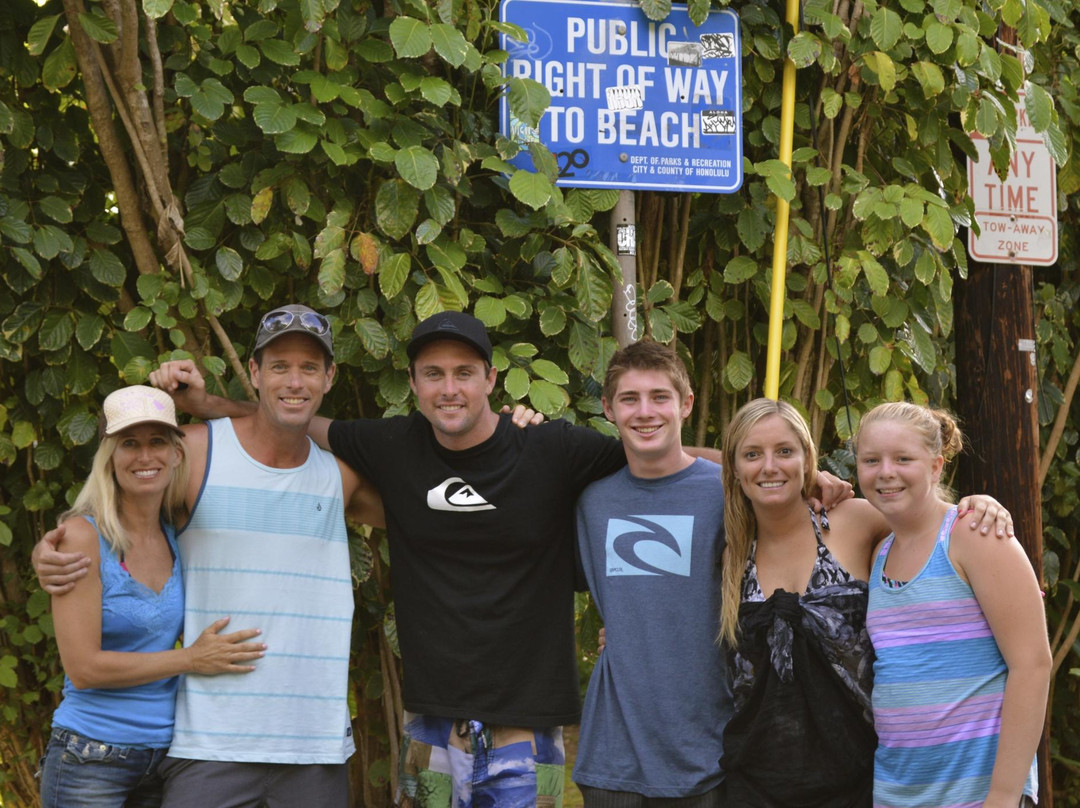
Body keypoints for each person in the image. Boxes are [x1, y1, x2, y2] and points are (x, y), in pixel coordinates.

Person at [136, 312, 770, 807]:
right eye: (432, 374)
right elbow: (288, 421)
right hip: (431, 726)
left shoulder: (552, 449)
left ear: (490, 380)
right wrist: (209, 406)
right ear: (412, 385)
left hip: (530, 727)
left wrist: (779, 474)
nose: (448, 388)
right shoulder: (392, 443)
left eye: (464, 372)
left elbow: (663, 455)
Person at [36, 304, 386, 808]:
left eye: (309, 367)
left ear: (329, 376)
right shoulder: (194, 451)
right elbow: (115, 506)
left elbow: (429, 515)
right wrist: (50, 547)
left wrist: (506, 440)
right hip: (207, 744)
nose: (294, 380)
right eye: (279, 367)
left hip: (313, 744)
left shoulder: (339, 474)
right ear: (254, 372)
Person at [717, 398, 1014, 808]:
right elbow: (669, 462)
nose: (769, 466)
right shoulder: (729, 548)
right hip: (753, 785)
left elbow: (927, 519)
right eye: (752, 454)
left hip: (861, 781)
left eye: (785, 451)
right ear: (733, 466)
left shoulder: (856, 520)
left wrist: (978, 505)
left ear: (808, 459)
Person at [39, 385, 264, 808]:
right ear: (110, 457)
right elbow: (84, 669)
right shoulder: (81, 538)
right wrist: (192, 659)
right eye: (130, 444)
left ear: (177, 453)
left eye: (157, 441)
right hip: (90, 756)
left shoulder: (178, 531)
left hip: (166, 759)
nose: (145, 457)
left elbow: (262, 431)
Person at [858, 402, 1050, 808]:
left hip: (978, 795)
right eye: (871, 460)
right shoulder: (879, 552)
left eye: (903, 458)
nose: (885, 472)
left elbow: (1032, 665)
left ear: (935, 466)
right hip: (898, 793)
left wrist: (1003, 796)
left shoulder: (973, 535)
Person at [572, 340, 730, 807]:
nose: (645, 412)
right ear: (608, 408)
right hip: (612, 757)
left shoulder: (730, 492)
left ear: (685, 404)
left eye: (660, 397)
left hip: (710, 750)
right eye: (629, 398)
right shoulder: (590, 501)